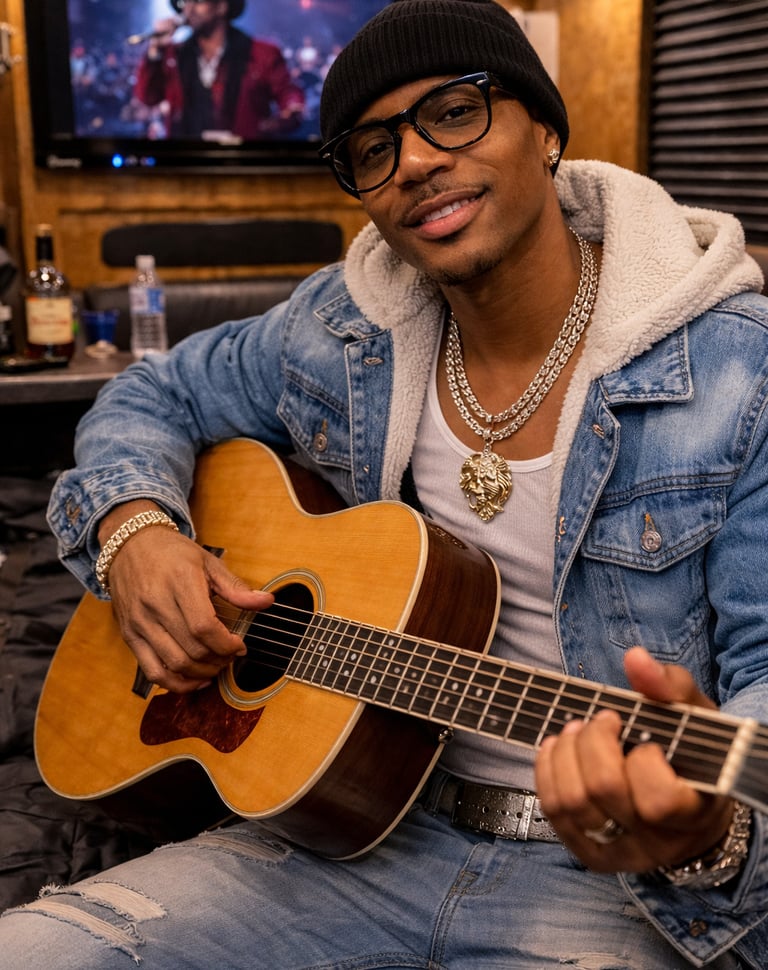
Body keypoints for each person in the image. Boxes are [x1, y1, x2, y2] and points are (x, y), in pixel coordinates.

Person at [2, 0, 767, 965]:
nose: (412, 162)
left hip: (617, 892)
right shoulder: (340, 329)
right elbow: (151, 393)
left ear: (546, 130)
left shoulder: (737, 372)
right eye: (372, 148)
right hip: (345, 841)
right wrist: (134, 531)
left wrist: (708, 833)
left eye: (454, 112)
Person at [134, 0, 305, 138]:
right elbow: (148, 97)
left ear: (222, 6)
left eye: (197, 1)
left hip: (241, 160)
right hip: (187, 159)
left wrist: (289, 112)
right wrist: (155, 51)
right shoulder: (174, 55)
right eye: (185, 2)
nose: (188, 8)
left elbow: (287, 92)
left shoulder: (260, 54)